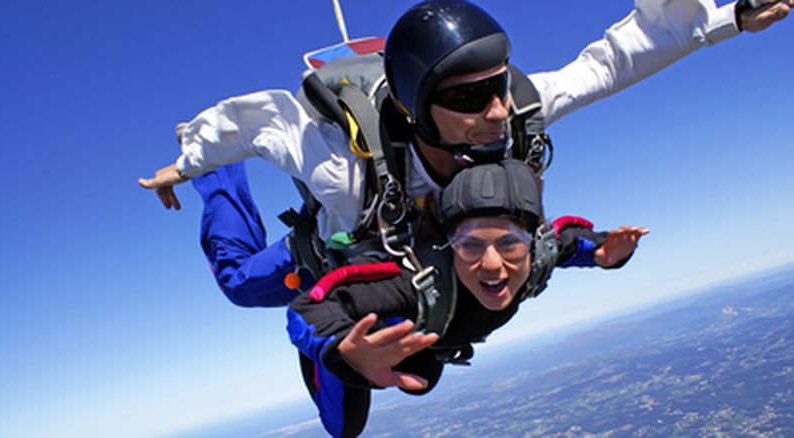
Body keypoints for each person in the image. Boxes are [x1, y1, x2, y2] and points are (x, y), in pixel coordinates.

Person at [138, 0, 790, 307]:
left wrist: (726, 12)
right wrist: (193, 160)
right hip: (356, 240)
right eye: (472, 99)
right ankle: (219, 187)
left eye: (500, 87)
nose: (499, 111)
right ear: (420, 109)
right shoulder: (343, 167)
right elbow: (264, 122)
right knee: (238, 285)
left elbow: (615, 59)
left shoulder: (514, 116)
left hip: (435, 240)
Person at [286, 159, 649, 437]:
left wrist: (606, 254)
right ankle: (226, 165)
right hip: (360, 314)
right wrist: (338, 351)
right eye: (471, 246)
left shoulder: (539, 255)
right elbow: (311, 306)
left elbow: (574, 239)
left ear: (531, 242)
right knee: (344, 427)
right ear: (449, 246)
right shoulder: (412, 285)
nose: (493, 264)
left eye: (509, 244)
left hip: (435, 336)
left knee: (423, 377)